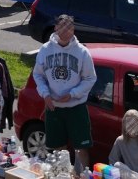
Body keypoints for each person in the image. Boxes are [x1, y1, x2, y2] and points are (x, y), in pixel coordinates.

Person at [32, 14, 96, 174]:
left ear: (73, 30)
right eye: (62, 27)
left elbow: (90, 78)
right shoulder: (45, 50)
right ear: (56, 28)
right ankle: (62, 176)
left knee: (81, 149)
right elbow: (38, 75)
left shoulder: (82, 52)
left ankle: (81, 176)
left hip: (76, 107)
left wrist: (73, 93)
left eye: (69, 27)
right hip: (53, 107)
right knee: (58, 149)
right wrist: (45, 94)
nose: (66, 31)